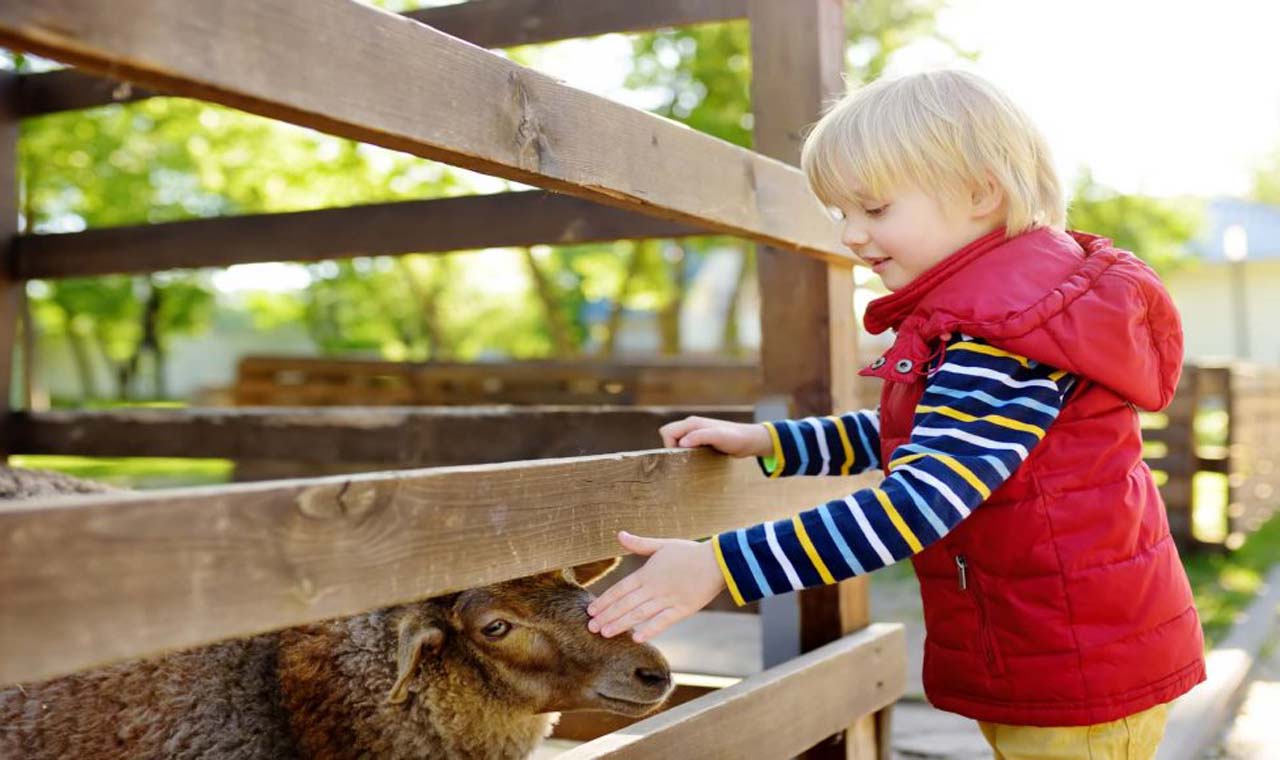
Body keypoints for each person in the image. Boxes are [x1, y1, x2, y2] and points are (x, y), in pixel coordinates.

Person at [586, 69, 1204, 757]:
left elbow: (919, 501)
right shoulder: (1007, 316)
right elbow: (922, 435)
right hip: (1057, 644)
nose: (851, 235)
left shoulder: (1005, 337)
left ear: (979, 195)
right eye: (840, 214)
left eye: (874, 210)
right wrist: (772, 441)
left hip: (1073, 661)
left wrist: (723, 565)